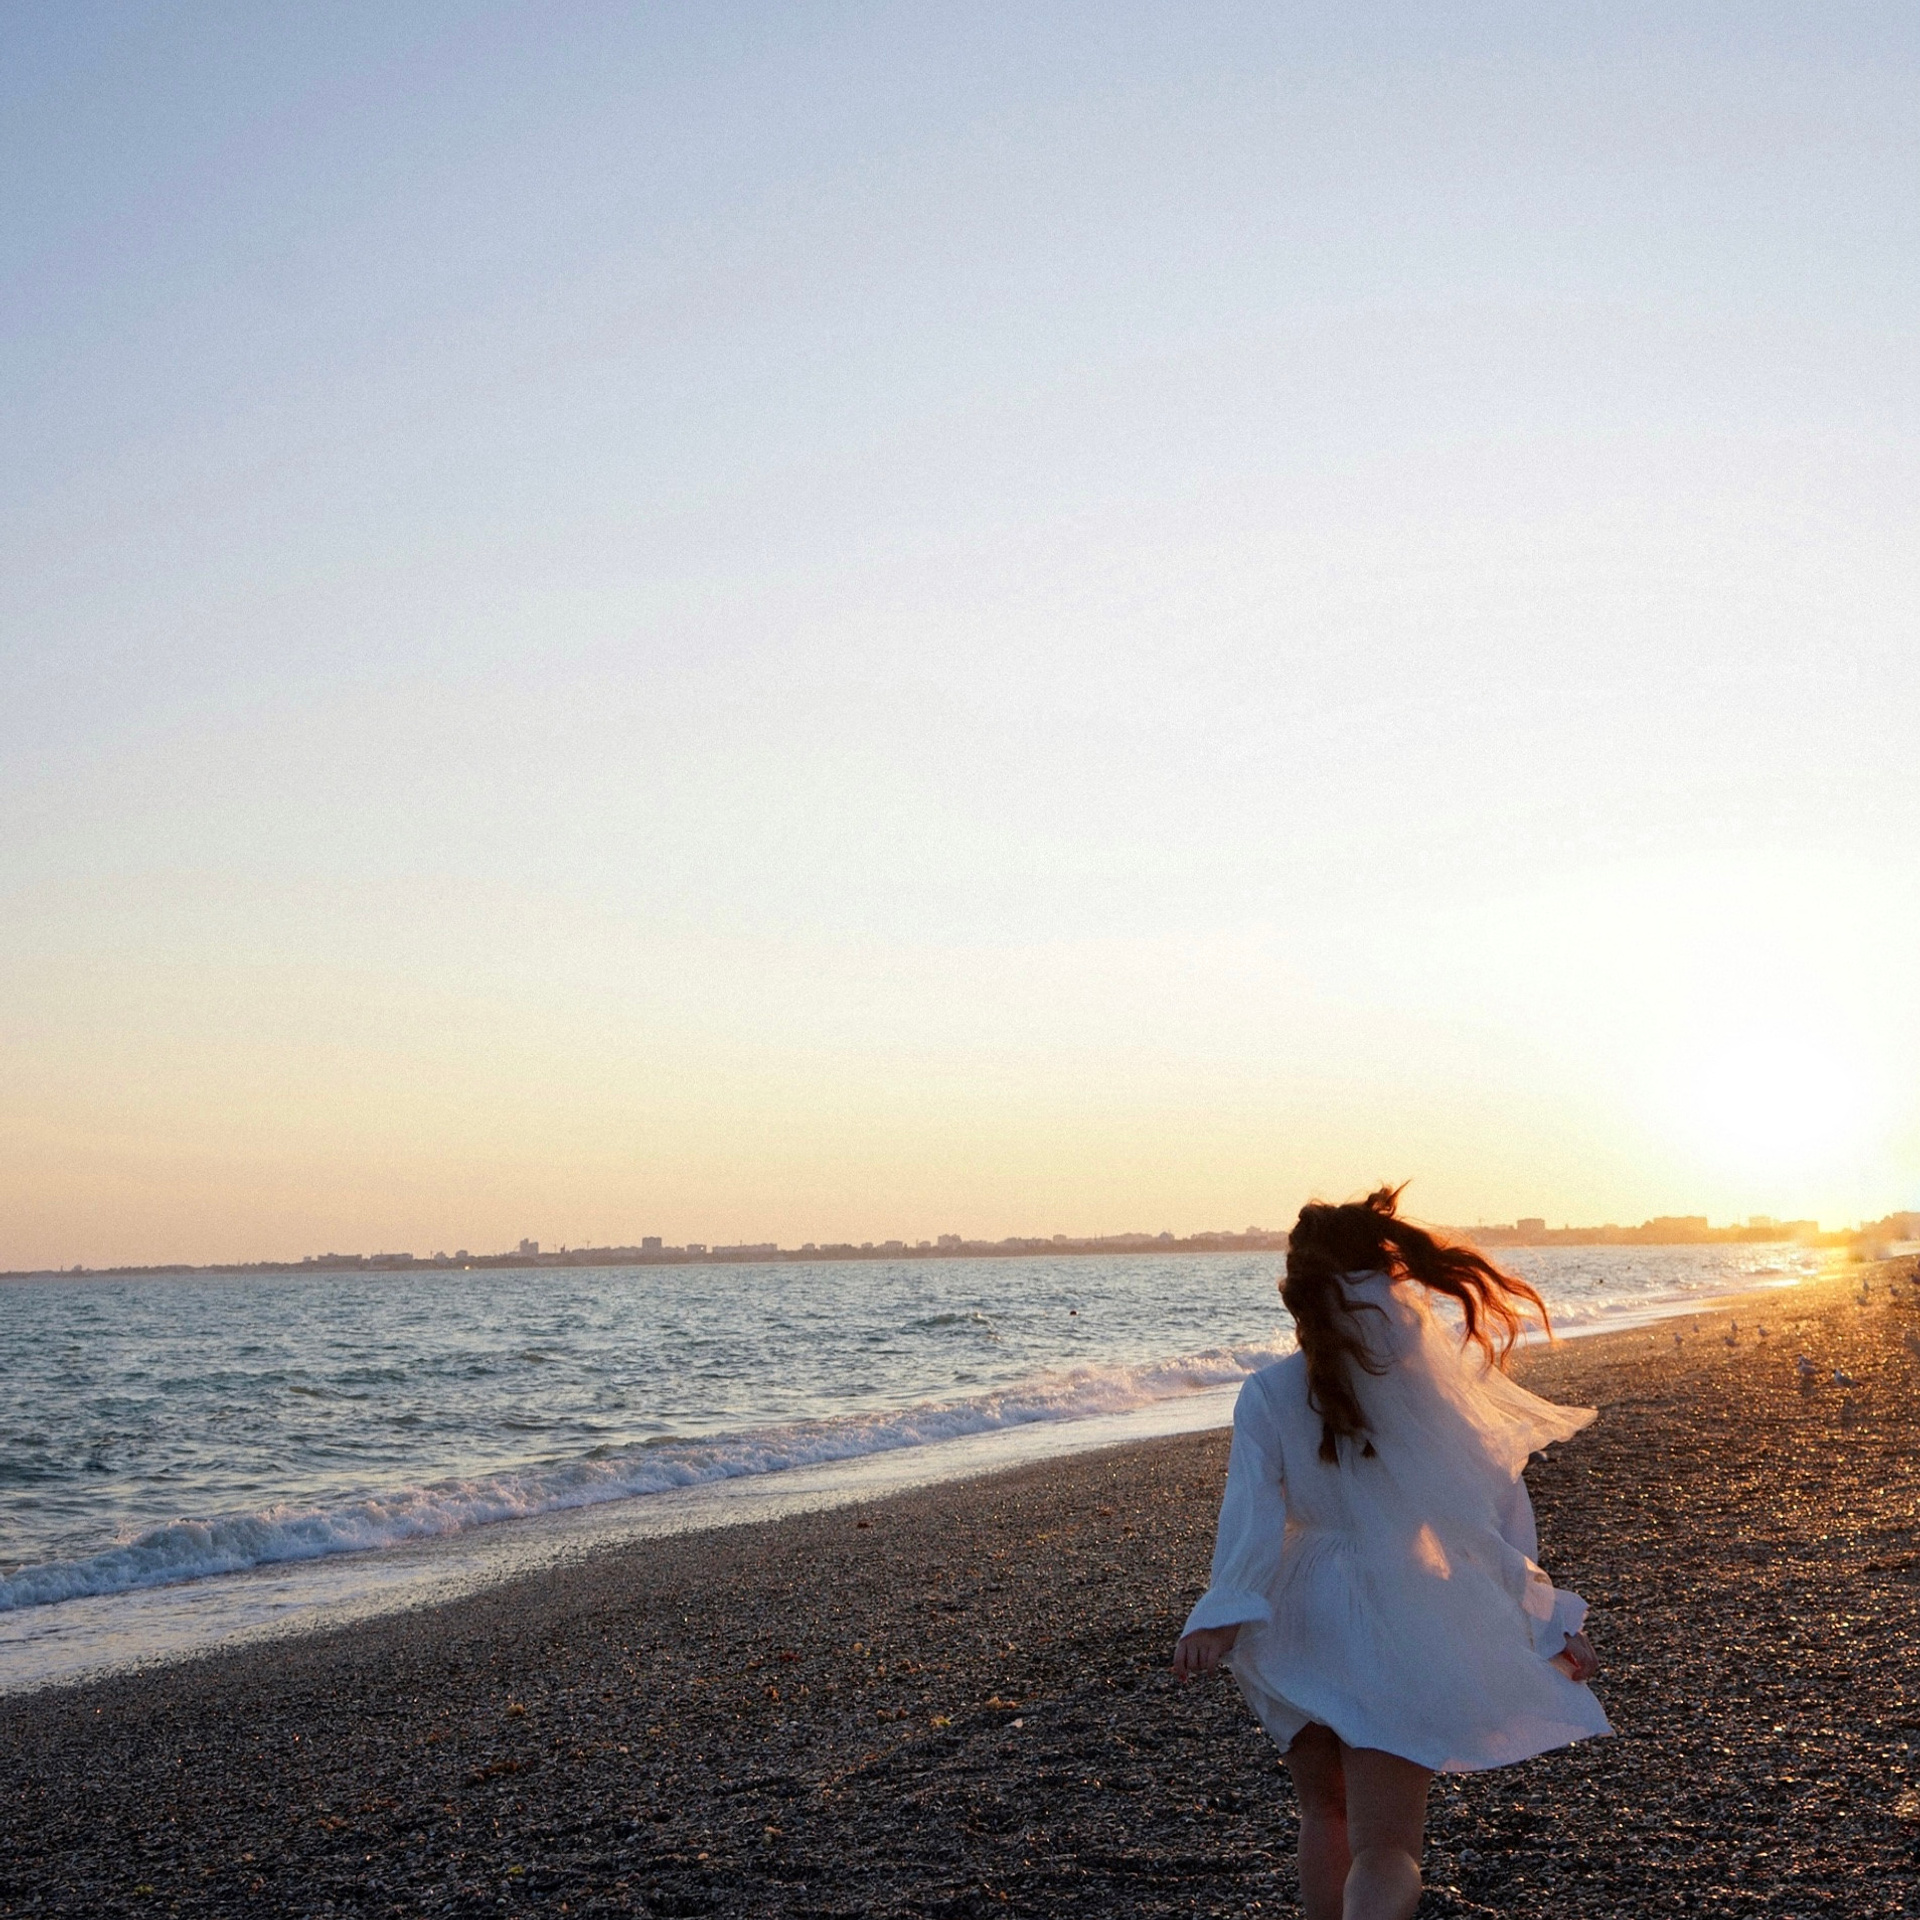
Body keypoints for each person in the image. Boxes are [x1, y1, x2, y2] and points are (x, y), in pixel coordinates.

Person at [1172, 1188, 1609, 1920]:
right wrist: (1545, 1619)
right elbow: (1478, 1523)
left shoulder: (1267, 1392)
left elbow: (1250, 1519)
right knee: (1387, 1848)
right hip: (1401, 1612)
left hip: (1299, 1609)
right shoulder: (1420, 1392)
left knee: (1324, 1816)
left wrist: (1223, 1615)